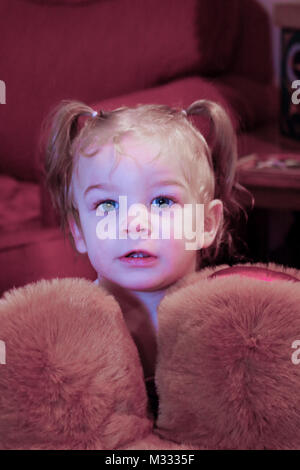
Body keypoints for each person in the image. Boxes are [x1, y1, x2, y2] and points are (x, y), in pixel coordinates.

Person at [42, 99, 249, 400]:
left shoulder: (227, 319)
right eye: (107, 205)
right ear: (78, 231)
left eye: (162, 201)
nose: (134, 223)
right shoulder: (67, 330)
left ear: (206, 224)